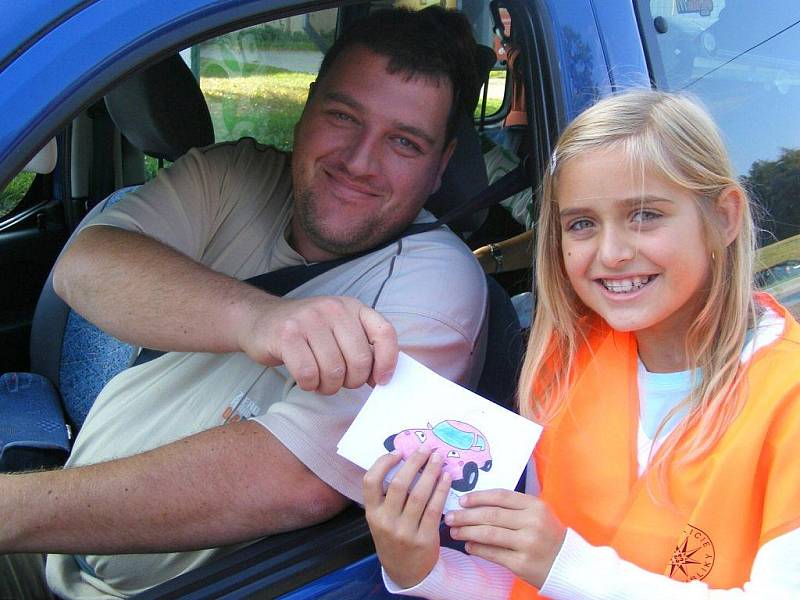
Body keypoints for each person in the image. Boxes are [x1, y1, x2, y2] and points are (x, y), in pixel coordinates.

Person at [0, 7, 490, 599]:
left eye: (405, 143)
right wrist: (255, 318)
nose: (359, 162)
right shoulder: (232, 173)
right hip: (51, 548)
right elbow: (84, 265)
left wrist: (13, 510)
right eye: (342, 116)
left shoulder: (436, 287)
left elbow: (296, 480)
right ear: (307, 107)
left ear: (441, 166)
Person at [364, 90, 800, 599]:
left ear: (723, 218)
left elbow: (560, 569)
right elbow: (530, 581)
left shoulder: (784, 399)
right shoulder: (569, 360)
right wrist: (421, 570)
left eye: (645, 215)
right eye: (582, 224)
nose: (611, 253)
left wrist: (566, 563)